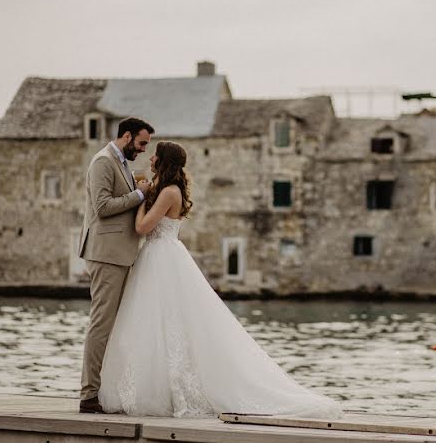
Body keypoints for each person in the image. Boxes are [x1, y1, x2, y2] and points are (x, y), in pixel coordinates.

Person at [98, 141, 341, 418]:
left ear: (164, 161)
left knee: (169, 324)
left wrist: (141, 196)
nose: (150, 157)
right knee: (155, 325)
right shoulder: (164, 189)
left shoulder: (168, 192)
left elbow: (142, 227)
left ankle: (171, 392)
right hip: (157, 257)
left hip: (161, 257)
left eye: (156, 154)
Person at [78, 117, 154, 414]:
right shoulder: (103, 162)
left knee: (114, 325)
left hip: (119, 254)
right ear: (126, 136)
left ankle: (106, 391)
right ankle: (88, 396)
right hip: (106, 254)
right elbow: (103, 206)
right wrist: (139, 195)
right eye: (142, 143)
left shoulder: (120, 161)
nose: (144, 150)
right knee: (101, 324)